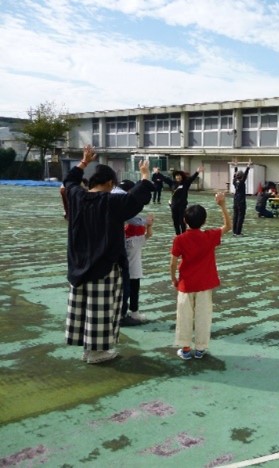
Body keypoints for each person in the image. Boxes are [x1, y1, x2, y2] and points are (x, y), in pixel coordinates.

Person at [64, 145, 153, 364]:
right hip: (104, 264)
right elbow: (136, 199)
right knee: (101, 309)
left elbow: (69, 182)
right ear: (111, 184)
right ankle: (97, 352)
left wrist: (84, 163)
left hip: (78, 263)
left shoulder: (77, 196)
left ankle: (88, 349)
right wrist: (144, 176)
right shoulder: (111, 201)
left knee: (83, 306)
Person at [170, 195, 231, 360]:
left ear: (184, 220)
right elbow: (228, 226)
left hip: (186, 284)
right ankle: (200, 348)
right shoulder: (209, 236)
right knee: (203, 316)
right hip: (205, 283)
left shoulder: (180, 239)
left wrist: (173, 278)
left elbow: (173, 263)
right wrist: (222, 205)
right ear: (204, 222)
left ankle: (186, 348)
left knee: (184, 316)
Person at [116, 180, 154, 325]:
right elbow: (148, 235)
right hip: (134, 272)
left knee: (122, 292)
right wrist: (148, 223)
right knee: (133, 293)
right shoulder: (136, 241)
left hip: (120, 270)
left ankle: (121, 312)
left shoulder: (123, 240)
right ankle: (133, 313)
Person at [169, 167, 203, 235]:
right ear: (175, 177)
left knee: (182, 221)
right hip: (174, 205)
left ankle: (184, 234)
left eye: (179, 175)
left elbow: (192, 178)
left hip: (182, 205)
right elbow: (165, 179)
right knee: (175, 222)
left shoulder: (185, 183)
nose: (178, 177)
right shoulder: (173, 183)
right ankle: (178, 235)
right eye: (176, 176)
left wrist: (197, 172)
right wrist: (157, 173)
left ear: (181, 176)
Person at [232, 162, 252, 235]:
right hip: (241, 201)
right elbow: (245, 176)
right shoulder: (241, 182)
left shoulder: (234, 181)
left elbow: (235, 176)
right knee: (240, 217)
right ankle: (238, 232)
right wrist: (248, 167)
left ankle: (234, 231)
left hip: (235, 200)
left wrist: (236, 167)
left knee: (235, 216)